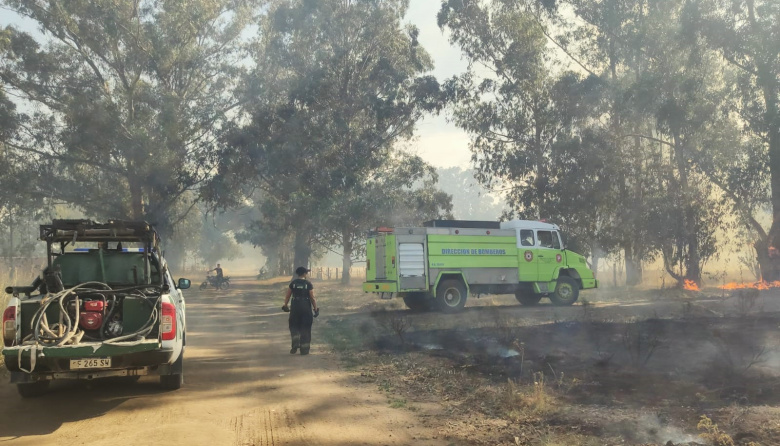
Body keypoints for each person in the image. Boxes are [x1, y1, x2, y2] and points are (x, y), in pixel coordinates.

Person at [282, 266, 319, 355]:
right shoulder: (308, 284)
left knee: (294, 325)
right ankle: (304, 349)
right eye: (306, 273)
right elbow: (312, 297)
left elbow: (288, 296)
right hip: (305, 307)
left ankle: (295, 342)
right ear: (304, 274)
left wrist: (285, 305)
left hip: (295, 306)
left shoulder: (293, 283)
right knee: (306, 326)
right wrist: (315, 309)